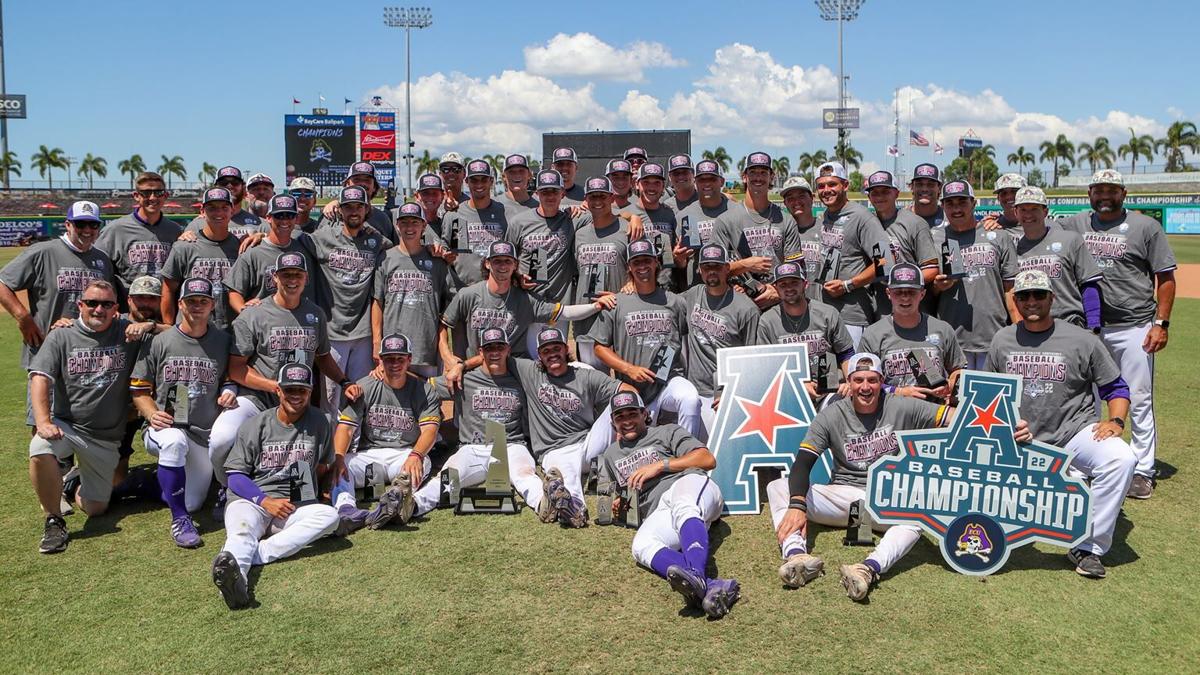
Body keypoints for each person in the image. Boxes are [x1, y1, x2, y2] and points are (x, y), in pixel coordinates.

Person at [986, 269, 1137, 578]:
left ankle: (1088, 546)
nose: (1031, 301)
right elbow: (990, 396)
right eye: (1024, 296)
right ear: (1015, 300)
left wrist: (1117, 421)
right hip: (1022, 439)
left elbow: (1115, 388)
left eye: (1039, 295)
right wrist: (1008, 426)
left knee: (1122, 459)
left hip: (1073, 433)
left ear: (1051, 299)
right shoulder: (1002, 340)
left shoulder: (1082, 339)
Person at [767, 354, 955, 596]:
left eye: (872, 380)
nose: (865, 387)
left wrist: (1008, 426)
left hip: (887, 498)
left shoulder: (901, 405)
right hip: (845, 496)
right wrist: (797, 505)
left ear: (882, 381)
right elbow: (803, 462)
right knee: (778, 487)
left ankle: (868, 568)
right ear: (849, 382)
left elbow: (955, 417)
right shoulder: (831, 414)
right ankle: (796, 556)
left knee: (918, 514)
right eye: (858, 380)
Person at [209, 252, 361, 514]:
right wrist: (274, 387)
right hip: (258, 398)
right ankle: (230, 488)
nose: (292, 280)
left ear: (306, 278)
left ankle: (304, 497)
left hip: (297, 403)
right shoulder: (253, 314)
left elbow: (323, 359)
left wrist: (344, 380)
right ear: (274, 278)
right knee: (222, 439)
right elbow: (236, 369)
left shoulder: (314, 314)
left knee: (303, 463)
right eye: (286, 274)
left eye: (297, 275)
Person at [1059, 169, 1176, 499]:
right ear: (1089, 193)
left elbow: (1165, 278)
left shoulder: (1145, 227)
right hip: (1088, 329)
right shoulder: (1074, 224)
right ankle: (1091, 462)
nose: (1105, 196)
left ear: (1123, 193)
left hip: (1134, 325)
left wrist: (1161, 323)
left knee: (1138, 398)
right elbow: (1033, 227)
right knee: (1089, 399)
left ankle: (1142, 469)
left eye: (1111, 190)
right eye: (1099, 190)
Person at [596, 391, 739, 620]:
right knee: (640, 545)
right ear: (613, 423)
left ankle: (698, 578)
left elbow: (707, 459)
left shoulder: (667, 431)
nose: (627, 421)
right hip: (659, 510)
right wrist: (618, 508)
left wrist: (661, 465)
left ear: (645, 414)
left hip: (689, 486)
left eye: (633, 414)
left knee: (684, 505)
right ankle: (711, 586)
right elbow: (612, 499)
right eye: (620, 417)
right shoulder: (610, 455)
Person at [211, 362, 340, 610]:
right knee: (241, 532)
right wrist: (264, 501)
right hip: (251, 501)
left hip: (293, 505)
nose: (295, 395)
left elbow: (323, 465)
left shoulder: (321, 422)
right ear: (278, 391)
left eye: (301, 390)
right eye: (289, 389)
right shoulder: (255, 425)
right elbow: (235, 476)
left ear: (310, 391)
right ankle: (236, 584)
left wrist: (322, 493)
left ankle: (256, 555)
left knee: (330, 517)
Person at [26, 280, 144, 553]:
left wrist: (148, 326)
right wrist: (43, 422)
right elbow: (40, 378)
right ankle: (54, 519)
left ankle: (72, 481)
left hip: (106, 437)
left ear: (116, 308)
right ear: (80, 305)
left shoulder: (126, 331)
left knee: (96, 508)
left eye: (106, 304)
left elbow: (174, 334)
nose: (98, 309)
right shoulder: (61, 335)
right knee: (41, 448)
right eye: (91, 302)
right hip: (69, 425)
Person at [130, 278, 236, 548]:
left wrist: (229, 389)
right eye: (191, 301)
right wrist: (152, 414)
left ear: (212, 305)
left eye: (203, 301)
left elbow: (230, 377)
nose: (197, 306)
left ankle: (147, 482)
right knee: (174, 442)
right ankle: (180, 520)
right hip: (165, 427)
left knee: (194, 501)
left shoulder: (223, 341)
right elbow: (139, 389)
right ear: (180, 304)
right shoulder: (160, 341)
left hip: (202, 433)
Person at [414, 329, 560, 518]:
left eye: (500, 347)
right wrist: (384, 372)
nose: (495, 353)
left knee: (524, 475)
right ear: (480, 352)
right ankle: (413, 504)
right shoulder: (463, 379)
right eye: (489, 348)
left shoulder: (521, 380)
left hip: (511, 446)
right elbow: (422, 386)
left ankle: (545, 504)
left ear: (508, 349)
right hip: (472, 448)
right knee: (446, 478)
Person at [508, 327, 628, 526]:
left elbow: (625, 389)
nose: (552, 354)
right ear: (539, 355)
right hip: (555, 449)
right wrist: (459, 366)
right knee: (564, 478)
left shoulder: (584, 375)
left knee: (617, 405)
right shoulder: (530, 372)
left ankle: (633, 455)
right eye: (546, 351)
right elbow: (495, 355)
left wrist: (626, 422)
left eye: (557, 348)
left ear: (566, 349)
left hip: (588, 445)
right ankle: (574, 509)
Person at [328, 333, 441, 533]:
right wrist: (338, 458)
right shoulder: (365, 386)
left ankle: (396, 500)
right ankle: (346, 510)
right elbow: (345, 428)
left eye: (400, 358)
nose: (394, 364)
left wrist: (416, 454)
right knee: (341, 461)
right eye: (389, 359)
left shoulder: (423, 390)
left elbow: (430, 431)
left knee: (423, 461)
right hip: (370, 453)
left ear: (409, 360)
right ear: (381, 360)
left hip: (404, 454)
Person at [439, 241, 613, 369]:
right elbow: (444, 324)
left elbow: (565, 313)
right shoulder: (468, 294)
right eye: (497, 261)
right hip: (477, 369)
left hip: (514, 371)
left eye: (507, 261)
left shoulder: (525, 299)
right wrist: (447, 356)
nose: (502, 266)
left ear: (515, 265)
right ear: (487, 263)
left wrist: (595, 307)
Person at [592, 239, 704, 438]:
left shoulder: (675, 301)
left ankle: (688, 451)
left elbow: (686, 343)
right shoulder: (616, 303)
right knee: (601, 450)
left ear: (656, 263)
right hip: (632, 388)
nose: (642, 266)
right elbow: (600, 348)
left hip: (667, 382)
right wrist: (629, 369)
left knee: (690, 398)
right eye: (636, 262)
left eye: (646, 261)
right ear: (629, 267)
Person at [0, 200, 115, 377]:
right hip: (46, 352)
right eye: (80, 224)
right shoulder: (43, 252)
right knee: (42, 404)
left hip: (89, 357)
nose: (87, 230)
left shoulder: (102, 259)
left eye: (93, 224)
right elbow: (2, 283)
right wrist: (23, 318)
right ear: (68, 225)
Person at [310, 185, 393, 409]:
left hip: (363, 333)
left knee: (360, 394)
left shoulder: (376, 240)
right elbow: (290, 242)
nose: (354, 211)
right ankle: (332, 445)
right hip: (332, 332)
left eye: (359, 206)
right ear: (340, 210)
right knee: (330, 398)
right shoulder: (323, 238)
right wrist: (260, 234)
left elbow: (400, 250)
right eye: (348, 207)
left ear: (367, 209)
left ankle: (354, 445)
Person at [930, 180, 1019, 369]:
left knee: (991, 397)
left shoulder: (998, 236)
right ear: (942, 206)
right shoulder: (934, 238)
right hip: (952, 337)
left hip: (993, 335)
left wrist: (1019, 330)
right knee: (954, 397)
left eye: (962, 202)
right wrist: (938, 287)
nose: (956, 209)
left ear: (974, 203)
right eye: (950, 203)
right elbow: (926, 291)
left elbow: (1010, 289)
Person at [681, 244, 759, 435]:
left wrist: (735, 393)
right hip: (695, 392)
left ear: (727, 268)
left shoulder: (746, 309)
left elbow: (753, 360)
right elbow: (662, 303)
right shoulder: (692, 295)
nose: (712, 272)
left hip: (727, 395)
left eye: (717, 267)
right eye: (707, 267)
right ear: (700, 270)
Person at [860, 263, 965, 400]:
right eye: (898, 292)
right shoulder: (873, 335)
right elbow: (862, 381)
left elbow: (958, 369)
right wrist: (898, 392)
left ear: (922, 294)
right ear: (888, 293)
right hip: (891, 413)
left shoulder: (942, 329)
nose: (905, 297)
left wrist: (950, 384)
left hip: (934, 411)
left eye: (911, 291)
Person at [814, 161, 891, 348]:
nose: (826, 190)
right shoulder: (823, 217)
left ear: (845, 185)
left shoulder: (862, 217)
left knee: (852, 374)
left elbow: (886, 261)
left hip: (853, 315)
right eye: (821, 186)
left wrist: (848, 285)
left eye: (832, 184)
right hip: (825, 313)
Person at [757, 262, 854, 407]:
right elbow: (766, 367)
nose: (789, 288)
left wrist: (850, 382)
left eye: (794, 282)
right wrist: (798, 385)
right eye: (783, 284)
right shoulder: (767, 320)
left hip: (829, 386)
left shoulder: (827, 313)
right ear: (775, 288)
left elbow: (846, 353)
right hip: (789, 393)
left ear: (805, 284)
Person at [372, 202, 451, 378]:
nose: (409, 227)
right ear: (397, 225)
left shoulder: (437, 262)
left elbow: (444, 311)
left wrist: (443, 347)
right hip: (391, 345)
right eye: (404, 222)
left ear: (424, 225)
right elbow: (378, 302)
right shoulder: (385, 258)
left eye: (415, 222)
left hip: (425, 346)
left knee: (427, 400)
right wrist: (377, 341)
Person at [712, 151, 799, 308]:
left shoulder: (786, 220)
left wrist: (777, 290)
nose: (758, 177)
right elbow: (712, 268)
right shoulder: (726, 220)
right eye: (753, 172)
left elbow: (797, 267)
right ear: (744, 177)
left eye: (763, 172)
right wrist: (744, 265)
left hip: (778, 304)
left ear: (771, 177)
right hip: (737, 304)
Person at [505, 168, 577, 352]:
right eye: (545, 191)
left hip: (558, 305)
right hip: (526, 302)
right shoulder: (519, 222)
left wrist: (633, 218)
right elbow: (506, 259)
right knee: (527, 357)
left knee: (555, 358)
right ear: (537, 193)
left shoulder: (571, 220)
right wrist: (517, 278)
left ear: (563, 193)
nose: (550, 196)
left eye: (554, 191)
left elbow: (606, 211)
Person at [1011, 186, 1102, 329]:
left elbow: (1088, 285)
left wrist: (1094, 324)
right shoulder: (1013, 249)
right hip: (1032, 326)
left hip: (1069, 322)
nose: (1028, 214)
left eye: (1034, 209)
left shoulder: (1070, 240)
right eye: (1023, 209)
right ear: (1016, 212)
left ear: (1045, 211)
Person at [161, 187, 242, 330]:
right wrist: (168, 326)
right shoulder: (184, 246)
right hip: (191, 331)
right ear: (202, 212)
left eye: (224, 207)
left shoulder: (241, 247)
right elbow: (168, 289)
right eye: (212, 208)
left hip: (230, 331)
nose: (218, 213)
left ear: (232, 211)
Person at [225, 194, 322, 313]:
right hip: (266, 324)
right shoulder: (253, 251)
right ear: (268, 218)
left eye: (290, 215)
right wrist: (244, 311)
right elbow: (234, 291)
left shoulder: (306, 245)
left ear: (296, 218)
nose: (285, 220)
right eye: (279, 215)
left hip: (302, 324)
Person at [572, 176, 630, 369]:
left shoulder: (627, 229)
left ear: (612, 198)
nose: (597, 201)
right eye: (593, 197)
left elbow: (644, 266)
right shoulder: (579, 234)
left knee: (624, 378)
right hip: (588, 318)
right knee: (592, 381)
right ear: (586, 200)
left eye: (602, 196)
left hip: (618, 313)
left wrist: (632, 282)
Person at [95, 171, 184, 295]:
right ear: (136, 196)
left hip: (163, 305)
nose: (153, 198)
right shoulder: (116, 229)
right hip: (129, 306)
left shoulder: (174, 230)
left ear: (165, 195)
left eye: (158, 193)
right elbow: (98, 266)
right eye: (146, 193)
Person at [863, 170, 938, 316]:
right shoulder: (866, 224)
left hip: (915, 309)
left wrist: (902, 283)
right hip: (881, 309)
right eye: (875, 192)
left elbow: (932, 268)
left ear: (896, 193)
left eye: (885, 191)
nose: (880, 197)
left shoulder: (915, 223)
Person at [441, 162, 514, 293]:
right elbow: (444, 249)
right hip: (460, 292)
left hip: (497, 290)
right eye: (474, 180)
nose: (479, 184)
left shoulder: (505, 213)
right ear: (467, 181)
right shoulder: (454, 214)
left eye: (484, 179)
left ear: (491, 181)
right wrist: (445, 256)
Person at [620, 163, 681, 289]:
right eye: (646, 182)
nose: (651, 187)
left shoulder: (670, 213)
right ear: (637, 184)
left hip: (668, 287)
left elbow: (677, 255)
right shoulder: (626, 213)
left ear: (663, 186)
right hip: (637, 290)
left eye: (657, 183)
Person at [673, 159, 730, 289]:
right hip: (698, 288)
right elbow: (682, 263)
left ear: (721, 181)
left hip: (733, 285)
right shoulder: (685, 215)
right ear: (695, 181)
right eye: (701, 180)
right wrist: (679, 258)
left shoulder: (735, 211)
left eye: (712, 179)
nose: (707, 184)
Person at [318, 162, 398, 244]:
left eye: (367, 180)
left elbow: (391, 253)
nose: (362, 183)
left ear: (374, 187)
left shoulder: (382, 219)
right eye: (356, 179)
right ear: (347, 184)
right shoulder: (332, 213)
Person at [187, 166, 263, 238]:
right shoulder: (196, 225)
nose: (229, 186)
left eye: (235, 182)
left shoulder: (261, 224)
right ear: (215, 187)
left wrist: (264, 237)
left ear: (243, 187)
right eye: (223, 182)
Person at [780, 175, 823, 302]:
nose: (796, 201)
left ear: (812, 198)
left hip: (823, 303)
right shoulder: (781, 233)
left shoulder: (826, 228)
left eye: (801, 196)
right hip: (792, 303)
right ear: (785, 203)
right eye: (790, 198)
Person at [981, 173, 1027, 241]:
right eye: (1004, 193)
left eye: (1014, 191)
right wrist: (983, 227)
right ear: (998, 198)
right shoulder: (992, 226)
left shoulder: (1039, 225)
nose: (1009, 197)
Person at [908, 163, 945, 228]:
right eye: (919, 184)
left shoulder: (950, 219)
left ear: (939, 188)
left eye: (930, 184)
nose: (924, 189)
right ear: (912, 187)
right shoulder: (899, 219)